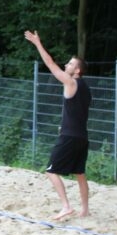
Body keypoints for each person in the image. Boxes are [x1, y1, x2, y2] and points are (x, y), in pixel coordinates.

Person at [24, 30, 92, 220]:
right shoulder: (86, 88)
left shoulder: (71, 83)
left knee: (51, 170)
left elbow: (50, 64)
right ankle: (85, 210)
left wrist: (38, 43)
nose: (66, 65)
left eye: (70, 64)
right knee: (80, 174)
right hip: (82, 136)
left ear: (77, 71)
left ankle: (66, 206)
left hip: (69, 136)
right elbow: (77, 112)